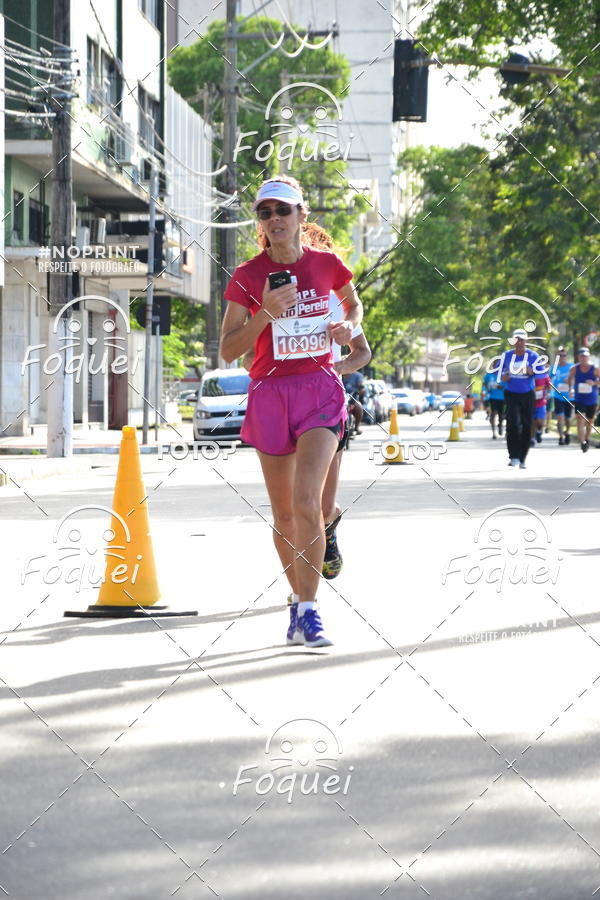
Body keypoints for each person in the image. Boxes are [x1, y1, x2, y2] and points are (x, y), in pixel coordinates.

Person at [220, 175, 363, 648]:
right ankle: (298, 601)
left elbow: (354, 306)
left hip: (320, 390)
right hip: (270, 392)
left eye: (283, 210)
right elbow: (228, 350)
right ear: (260, 222)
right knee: (284, 515)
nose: (275, 219)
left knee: (307, 504)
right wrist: (265, 313)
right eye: (265, 213)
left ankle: (309, 610)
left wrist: (347, 327)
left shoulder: (327, 264)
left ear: (302, 215)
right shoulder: (247, 276)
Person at [242, 221, 371, 586]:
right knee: (294, 509)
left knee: (321, 507)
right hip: (281, 404)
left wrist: (336, 367)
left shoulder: (333, 298)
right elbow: (246, 354)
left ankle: (328, 527)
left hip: (326, 405)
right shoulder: (269, 297)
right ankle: (301, 591)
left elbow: (362, 352)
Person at [500, 328, 541, 468]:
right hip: (511, 393)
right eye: (517, 340)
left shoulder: (533, 356)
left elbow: (541, 373)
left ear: (526, 341)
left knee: (526, 425)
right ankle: (513, 456)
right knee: (512, 424)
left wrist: (532, 371)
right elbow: (499, 373)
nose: (519, 343)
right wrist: (504, 377)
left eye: (522, 340)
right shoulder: (506, 355)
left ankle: (523, 458)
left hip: (527, 394)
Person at [568, 348, 600, 452]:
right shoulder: (574, 368)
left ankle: (587, 438)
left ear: (588, 357)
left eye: (585, 356)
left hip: (592, 399)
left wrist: (594, 383)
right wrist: (571, 389)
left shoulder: (595, 368)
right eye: (582, 356)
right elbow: (570, 379)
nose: (584, 358)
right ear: (579, 357)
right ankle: (582, 442)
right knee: (580, 419)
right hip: (579, 398)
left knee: (590, 421)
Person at [551, 346, 573, 445]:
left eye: (564, 355)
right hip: (558, 396)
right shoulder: (554, 368)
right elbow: (547, 379)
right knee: (560, 417)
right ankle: (561, 437)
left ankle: (567, 432)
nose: (562, 357)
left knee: (568, 419)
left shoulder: (572, 367)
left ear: (566, 356)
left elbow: (576, 379)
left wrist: (570, 381)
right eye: (560, 355)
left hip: (569, 396)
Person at [482, 365, 505, 439]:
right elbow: (484, 383)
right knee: (493, 413)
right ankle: (493, 433)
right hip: (492, 397)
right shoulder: (488, 375)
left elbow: (506, 386)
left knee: (501, 415)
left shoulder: (503, 375)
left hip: (502, 398)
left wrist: (498, 386)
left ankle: (500, 425)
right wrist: (487, 389)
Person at [531, 368, 551, 445]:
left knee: (539, 422)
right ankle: (532, 439)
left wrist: (548, 393)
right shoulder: (528, 376)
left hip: (541, 402)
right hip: (530, 403)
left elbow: (549, 386)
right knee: (532, 421)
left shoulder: (544, 376)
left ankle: (539, 431)